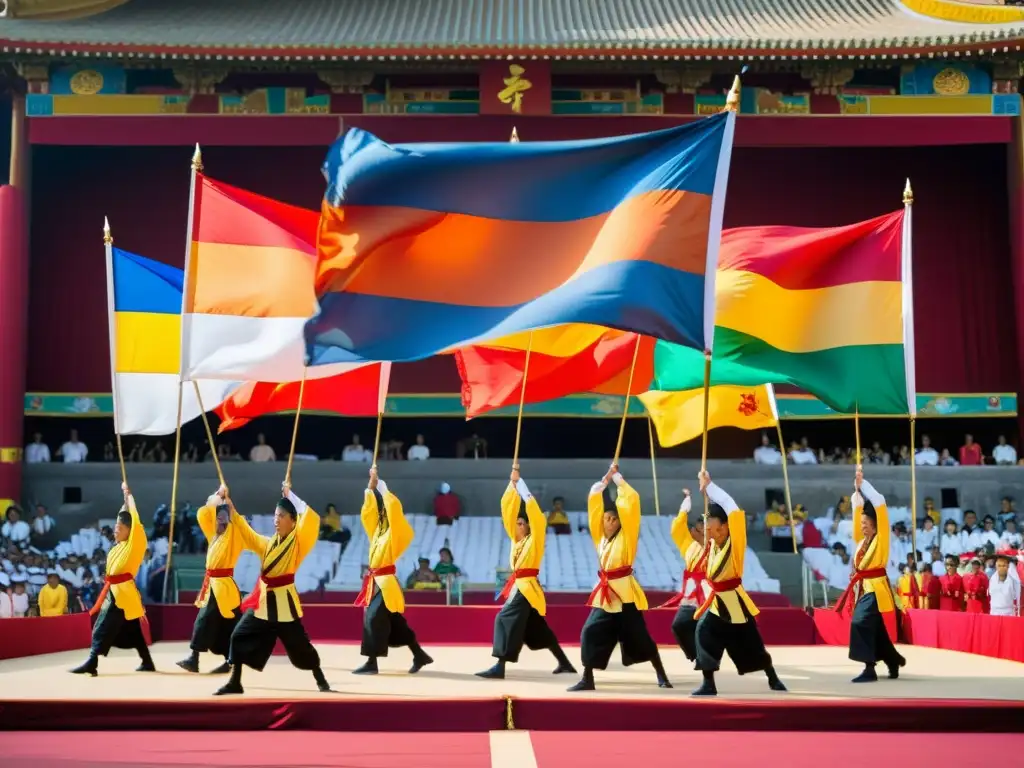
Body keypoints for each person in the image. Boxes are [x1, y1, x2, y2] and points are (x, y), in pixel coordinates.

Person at [214, 483, 331, 695]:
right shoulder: (268, 544)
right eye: (275, 515)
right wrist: (229, 506)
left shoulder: (298, 543)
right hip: (264, 603)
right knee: (238, 636)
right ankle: (235, 682)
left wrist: (290, 495)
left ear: (293, 521)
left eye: (281, 516)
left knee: (301, 648)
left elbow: (311, 518)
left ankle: (320, 678)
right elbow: (248, 534)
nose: (276, 520)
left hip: (284, 605)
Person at [568, 464, 670, 692]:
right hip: (605, 596)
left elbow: (632, 502)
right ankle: (587, 678)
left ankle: (661, 674)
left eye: (614, 518)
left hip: (624, 594)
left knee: (640, 636)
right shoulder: (600, 538)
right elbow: (594, 502)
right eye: (607, 518)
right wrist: (603, 482)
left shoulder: (628, 535)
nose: (610, 522)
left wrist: (619, 480)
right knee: (590, 632)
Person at [690, 470, 786, 696]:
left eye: (710, 522)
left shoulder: (735, 542)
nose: (706, 526)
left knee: (751, 644)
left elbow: (731, 507)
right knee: (703, 633)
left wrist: (710, 487)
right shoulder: (713, 544)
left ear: (724, 525)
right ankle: (708, 684)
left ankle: (772, 676)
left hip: (734, 604)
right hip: (716, 604)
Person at [477, 468, 575, 680]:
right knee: (537, 629)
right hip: (520, 586)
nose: (518, 526)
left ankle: (500, 667)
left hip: (526, 586)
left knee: (504, 619)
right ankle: (565, 662)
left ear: (530, 526)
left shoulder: (535, 539)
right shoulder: (516, 540)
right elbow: (507, 510)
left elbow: (537, 517)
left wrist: (521, 485)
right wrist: (511, 486)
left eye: (523, 523)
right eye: (518, 523)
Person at [353, 468, 433, 675]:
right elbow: (367, 514)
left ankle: (372, 662)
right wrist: (369, 491)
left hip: (385, 583)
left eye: (383, 511)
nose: (379, 514)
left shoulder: (394, 531)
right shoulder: (378, 533)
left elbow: (394, 510)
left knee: (373, 619)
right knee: (395, 623)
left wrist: (381, 486)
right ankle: (419, 654)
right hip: (376, 582)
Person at [177, 485, 263, 675]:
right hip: (214, 585)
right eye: (218, 515)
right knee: (226, 627)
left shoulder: (234, 535)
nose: (219, 518)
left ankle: (194, 658)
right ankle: (230, 660)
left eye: (223, 516)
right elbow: (201, 514)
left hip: (222, 585)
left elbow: (236, 519)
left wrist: (227, 500)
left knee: (204, 619)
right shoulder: (214, 534)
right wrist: (217, 495)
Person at [70, 483, 154, 676]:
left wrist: (130, 497)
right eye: (116, 527)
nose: (115, 531)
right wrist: (124, 499)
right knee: (132, 629)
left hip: (121, 593)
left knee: (102, 625)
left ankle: (92, 661)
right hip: (115, 590)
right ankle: (147, 660)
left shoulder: (135, 542)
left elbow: (135, 521)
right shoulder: (118, 546)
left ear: (129, 530)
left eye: (119, 528)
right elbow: (124, 515)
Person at [834, 468, 905, 684]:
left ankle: (869, 667)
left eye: (866, 524)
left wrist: (863, 485)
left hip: (876, 588)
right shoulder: (862, 542)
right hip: (863, 587)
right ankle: (892, 659)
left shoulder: (882, 537)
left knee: (860, 622)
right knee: (874, 627)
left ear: (876, 525)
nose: (862, 526)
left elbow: (879, 501)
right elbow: (857, 517)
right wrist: (856, 493)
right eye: (862, 523)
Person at [661, 488, 707, 664]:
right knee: (679, 626)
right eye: (699, 527)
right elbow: (677, 528)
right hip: (691, 594)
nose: (701, 530)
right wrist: (685, 507)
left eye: (705, 526)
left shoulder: (718, 546)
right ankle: (696, 656)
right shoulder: (689, 545)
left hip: (711, 593)